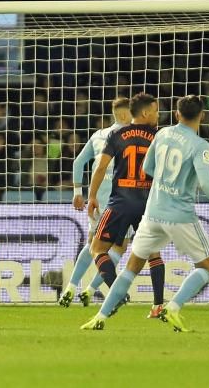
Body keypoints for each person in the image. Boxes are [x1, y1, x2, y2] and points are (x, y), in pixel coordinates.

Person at [82, 96, 209, 332]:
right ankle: (172, 307)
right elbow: (206, 183)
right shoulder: (200, 145)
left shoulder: (163, 134)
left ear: (177, 114)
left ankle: (100, 316)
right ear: (202, 116)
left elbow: (147, 168)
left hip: (152, 212)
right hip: (180, 215)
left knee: (131, 267)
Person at [86, 92, 165, 318]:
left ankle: (118, 295)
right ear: (145, 112)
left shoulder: (117, 134)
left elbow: (101, 167)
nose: (158, 114)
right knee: (153, 253)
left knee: (97, 249)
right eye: (156, 110)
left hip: (121, 202)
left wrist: (92, 196)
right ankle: (158, 305)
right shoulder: (159, 136)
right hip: (148, 203)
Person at [60, 98, 130, 308]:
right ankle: (90, 290)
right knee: (118, 249)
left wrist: (77, 192)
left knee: (92, 244)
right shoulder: (132, 137)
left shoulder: (98, 135)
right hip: (122, 201)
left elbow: (78, 162)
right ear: (126, 115)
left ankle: (70, 288)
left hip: (96, 200)